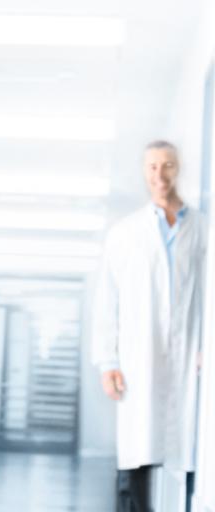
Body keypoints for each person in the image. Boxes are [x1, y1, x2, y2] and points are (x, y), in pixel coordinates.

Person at [93, 140, 206, 512]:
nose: (160, 174)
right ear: (144, 172)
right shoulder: (125, 233)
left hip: (189, 354)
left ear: (178, 169)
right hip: (137, 355)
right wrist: (107, 362)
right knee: (137, 448)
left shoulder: (202, 229)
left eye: (168, 165)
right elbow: (107, 300)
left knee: (189, 449)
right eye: (153, 167)